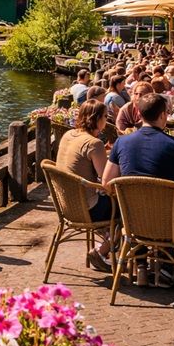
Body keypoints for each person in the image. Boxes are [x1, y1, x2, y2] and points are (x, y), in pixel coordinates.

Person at [103, 94, 174, 287]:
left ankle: (153, 266)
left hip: (133, 221)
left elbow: (107, 182)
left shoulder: (122, 143)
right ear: (162, 116)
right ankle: (170, 266)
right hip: (171, 224)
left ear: (138, 114)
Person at [55, 101, 114, 273]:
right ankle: (103, 250)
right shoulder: (94, 144)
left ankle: (108, 240)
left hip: (65, 205)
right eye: (105, 116)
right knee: (127, 207)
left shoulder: (68, 135)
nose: (107, 120)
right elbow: (107, 182)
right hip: (87, 208)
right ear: (96, 119)